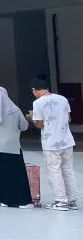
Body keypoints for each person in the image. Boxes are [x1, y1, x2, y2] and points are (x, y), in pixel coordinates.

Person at [0, 87, 32, 208]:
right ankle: (14, 200)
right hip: (11, 147)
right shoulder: (15, 110)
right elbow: (24, 126)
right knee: (14, 174)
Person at [30, 79, 76, 211]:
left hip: (51, 142)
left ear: (34, 90)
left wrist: (32, 119)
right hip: (66, 140)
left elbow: (39, 124)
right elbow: (68, 119)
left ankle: (61, 201)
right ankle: (72, 200)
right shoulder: (62, 99)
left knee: (54, 171)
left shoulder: (38, 103)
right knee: (68, 170)